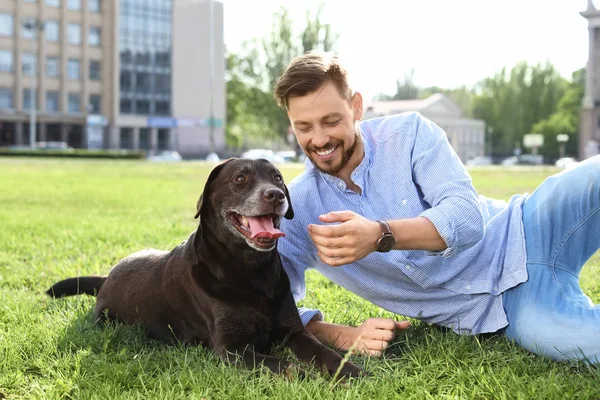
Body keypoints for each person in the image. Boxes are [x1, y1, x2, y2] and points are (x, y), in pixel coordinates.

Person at [274, 51, 600, 363]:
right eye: (304, 127)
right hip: (511, 307)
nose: (319, 139)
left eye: (331, 121)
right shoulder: (297, 208)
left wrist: (380, 234)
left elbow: (467, 218)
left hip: (529, 226)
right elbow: (267, 303)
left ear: (356, 106)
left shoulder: (409, 134)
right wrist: (342, 335)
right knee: (588, 345)